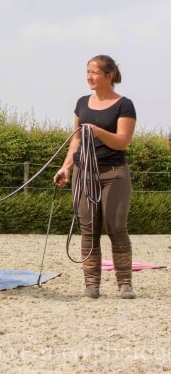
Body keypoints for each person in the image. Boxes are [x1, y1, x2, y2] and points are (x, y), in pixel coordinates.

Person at [53, 55, 137, 299]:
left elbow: (122, 142)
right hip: (84, 173)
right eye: (87, 72)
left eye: (94, 72)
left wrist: (98, 131)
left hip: (114, 173)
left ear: (108, 76)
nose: (89, 77)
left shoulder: (125, 105)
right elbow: (77, 139)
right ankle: (92, 285)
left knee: (117, 228)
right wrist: (66, 167)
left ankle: (125, 284)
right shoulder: (82, 103)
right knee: (88, 229)